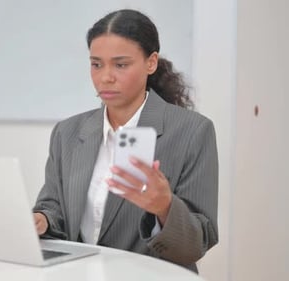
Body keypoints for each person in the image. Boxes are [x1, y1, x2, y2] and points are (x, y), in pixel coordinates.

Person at [32, 9, 218, 273]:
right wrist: (42, 220)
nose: (105, 76)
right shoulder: (68, 132)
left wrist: (165, 208)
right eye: (96, 64)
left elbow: (198, 243)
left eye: (121, 65)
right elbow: (54, 208)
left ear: (150, 63)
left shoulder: (192, 132)